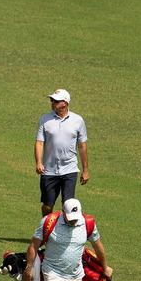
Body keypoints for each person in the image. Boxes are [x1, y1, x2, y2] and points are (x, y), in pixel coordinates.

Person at [36, 88, 89, 216]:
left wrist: (85, 170)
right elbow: (39, 143)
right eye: (52, 100)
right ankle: (46, 229)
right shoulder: (45, 119)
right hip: (49, 170)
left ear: (65, 103)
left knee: (68, 205)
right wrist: (38, 162)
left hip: (69, 169)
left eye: (55, 101)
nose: (52, 102)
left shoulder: (78, 120)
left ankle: (64, 235)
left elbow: (82, 146)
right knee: (48, 205)